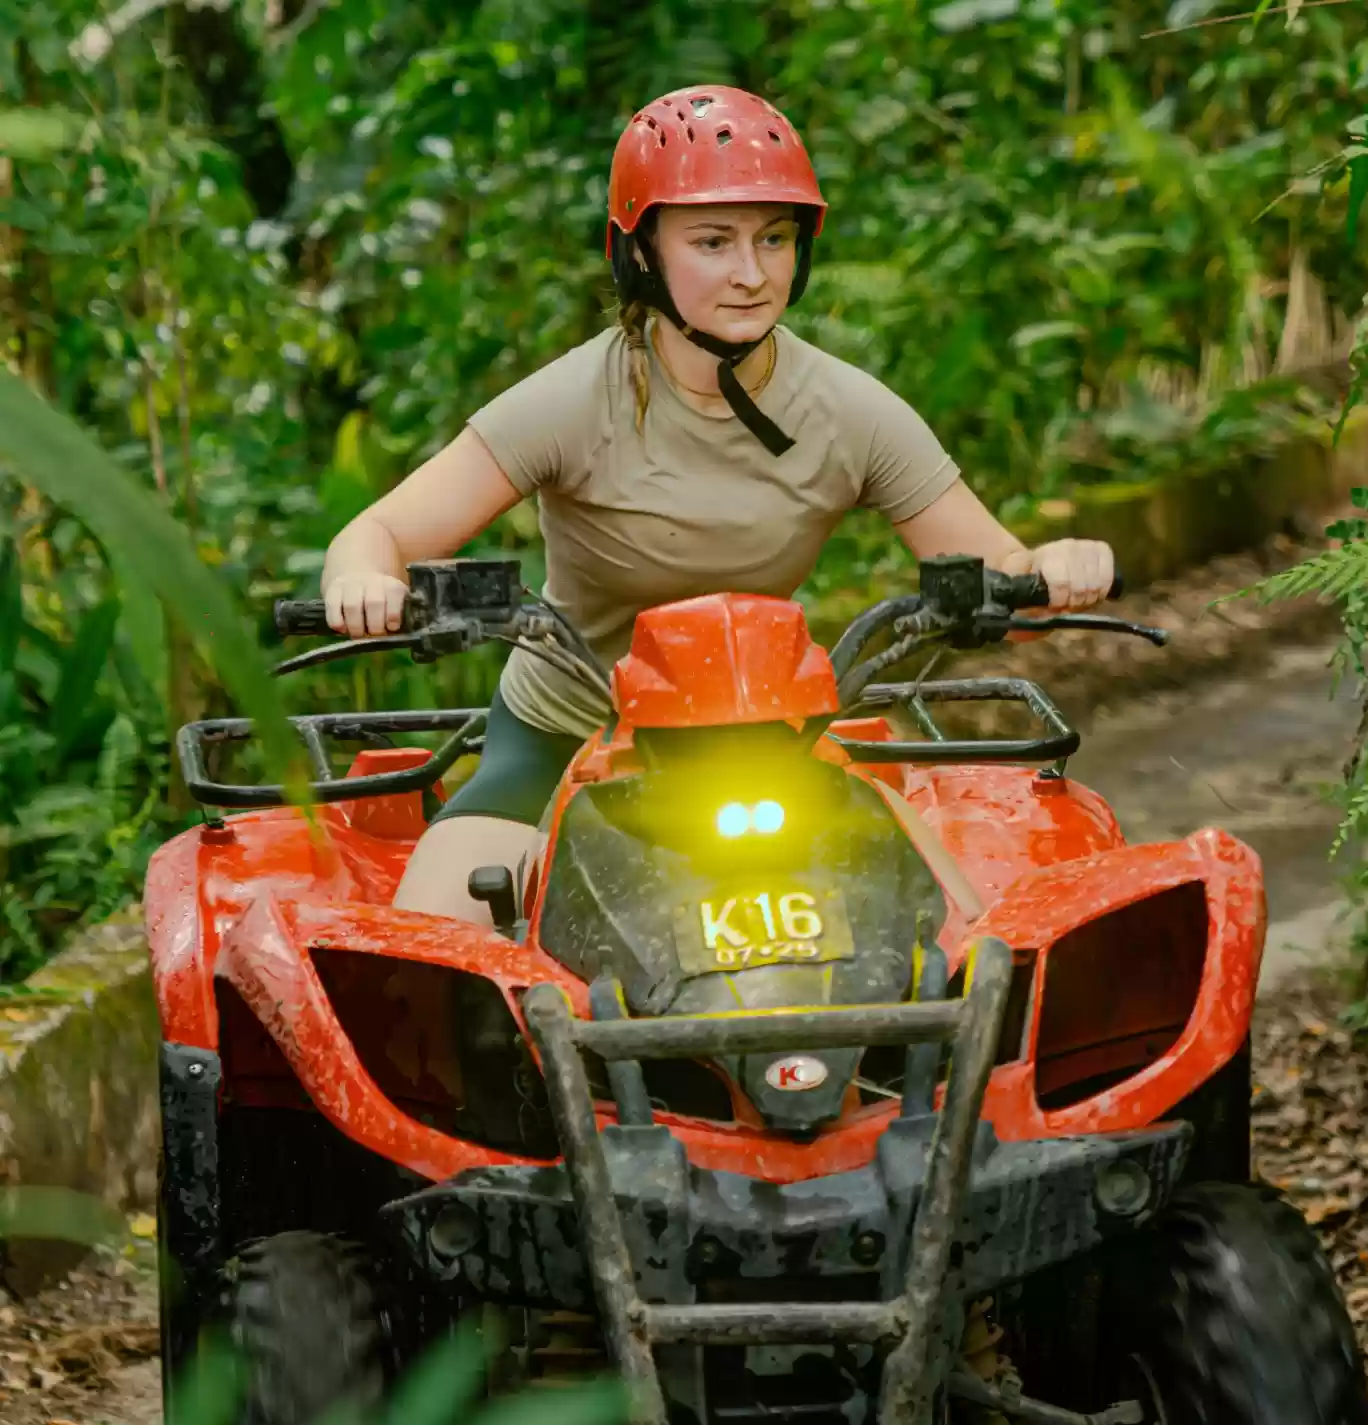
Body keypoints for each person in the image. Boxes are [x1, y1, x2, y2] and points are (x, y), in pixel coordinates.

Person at [318, 85, 1116, 924]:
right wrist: (363, 579)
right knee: (435, 947)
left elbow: (1005, 573)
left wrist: (1052, 570)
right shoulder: (572, 401)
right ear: (640, 254)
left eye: (774, 238)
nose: (751, 273)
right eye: (711, 241)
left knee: (962, 934)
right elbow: (379, 532)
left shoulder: (850, 411)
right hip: (567, 730)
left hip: (772, 737)